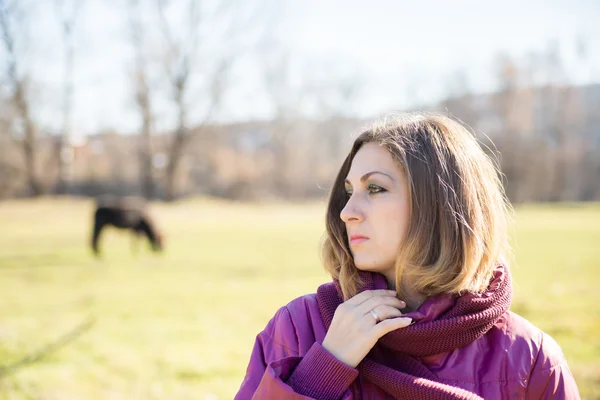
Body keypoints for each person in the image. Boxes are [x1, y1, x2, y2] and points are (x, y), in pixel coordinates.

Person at [234, 113, 580, 399]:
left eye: (375, 189)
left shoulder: (529, 356)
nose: (347, 212)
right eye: (349, 191)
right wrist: (324, 367)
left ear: (441, 206)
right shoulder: (300, 327)